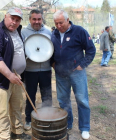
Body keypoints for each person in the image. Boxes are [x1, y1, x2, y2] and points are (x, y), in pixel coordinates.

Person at [0, 7, 31, 140]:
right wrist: (9, 75)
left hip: (16, 78)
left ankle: (17, 132)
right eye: (12, 18)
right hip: (1, 79)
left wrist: (16, 74)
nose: (14, 22)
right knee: (2, 112)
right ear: (5, 16)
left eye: (17, 20)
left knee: (17, 106)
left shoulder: (18, 31)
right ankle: (4, 137)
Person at [51, 10, 96, 140]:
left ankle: (85, 128)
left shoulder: (79, 31)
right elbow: (50, 51)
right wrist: (53, 64)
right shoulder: (53, 34)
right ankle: (67, 124)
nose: (59, 26)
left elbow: (91, 50)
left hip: (77, 73)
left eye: (61, 23)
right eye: (56, 23)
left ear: (67, 20)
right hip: (60, 74)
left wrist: (82, 65)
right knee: (63, 101)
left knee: (82, 100)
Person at [21, 9, 52, 131]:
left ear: (42, 19)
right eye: (34, 19)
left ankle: (48, 117)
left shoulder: (48, 32)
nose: (37, 21)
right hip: (29, 70)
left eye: (39, 19)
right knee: (30, 96)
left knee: (47, 95)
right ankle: (28, 119)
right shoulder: (23, 32)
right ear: (30, 19)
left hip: (45, 69)